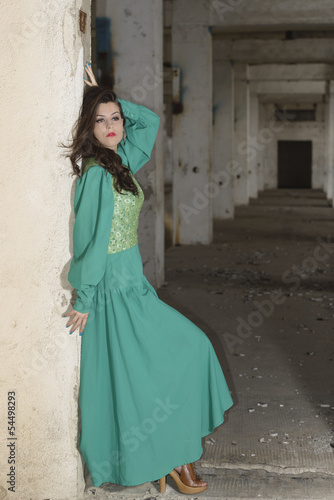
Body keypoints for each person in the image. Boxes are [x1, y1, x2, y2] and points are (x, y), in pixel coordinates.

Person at [63, 62, 233, 495]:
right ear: (88, 128)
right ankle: (177, 460)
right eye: (99, 121)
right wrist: (83, 297)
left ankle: (175, 458)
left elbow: (152, 121)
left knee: (174, 361)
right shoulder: (97, 176)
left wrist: (107, 93)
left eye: (115, 118)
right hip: (112, 293)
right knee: (174, 359)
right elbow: (91, 242)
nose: (111, 126)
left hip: (134, 286)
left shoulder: (120, 162)